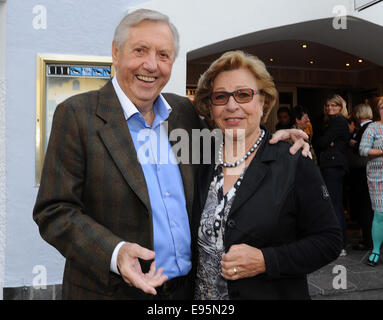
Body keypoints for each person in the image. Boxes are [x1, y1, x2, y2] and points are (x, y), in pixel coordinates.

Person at [33, 9, 309, 300]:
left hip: (185, 292)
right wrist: (115, 253)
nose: (151, 65)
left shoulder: (183, 113)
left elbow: (233, 138)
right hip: (112, 292)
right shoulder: (77, 115)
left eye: (163, 55)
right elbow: (54, 211)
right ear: (116, 53)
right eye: (140, 50)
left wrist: (277, 139)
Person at [191, 50, 342, 300]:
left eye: (243, 94)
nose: (231, 106)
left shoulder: (293, 160)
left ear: (263, 102)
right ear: (211, 107)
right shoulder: (201, 159)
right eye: (221, 97)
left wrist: (266, 260)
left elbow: (329, 241)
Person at [314, 94, 350, 257]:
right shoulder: (331, 122)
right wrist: (326, 142)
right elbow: (321, 142)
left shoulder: (339, 121)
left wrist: (326, 142)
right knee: (334, 204)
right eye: (328, 105)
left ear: (341, 107)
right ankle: (338, 243)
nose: (330, 108)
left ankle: (340, 244)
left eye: (334, 105)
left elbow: (320, 142)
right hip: (332, 166)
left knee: (335, 205)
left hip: (334, 166)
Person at [359, 98, 383, 267]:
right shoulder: (373, 127)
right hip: (377, 177)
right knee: (380, 214)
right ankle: (375, 250)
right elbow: (363, 149)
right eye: (382, 108)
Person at [349, 104, 374, 251]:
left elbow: (363, 149)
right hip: (371, 172)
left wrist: (354, 143)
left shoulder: (366, 129)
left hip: (364, 172)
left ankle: (368, 241)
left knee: (366, 209)